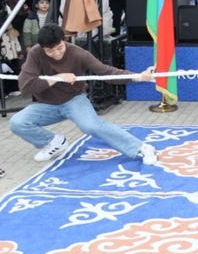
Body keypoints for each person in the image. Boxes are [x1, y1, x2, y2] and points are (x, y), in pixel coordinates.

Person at [9, 24, 158, 164]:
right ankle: (52, 142)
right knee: (17, 122)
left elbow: (107, 73)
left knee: (91, 126)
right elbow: (25, 87)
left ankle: (141, 148)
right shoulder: (35, 53)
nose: (56, 53)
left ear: (64, 40)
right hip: (47, 105)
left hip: (74, 100)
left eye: (60, 48)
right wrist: (57, 78)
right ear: (42, 48)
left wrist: (138, 76)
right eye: (50, 51)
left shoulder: (78, 53)